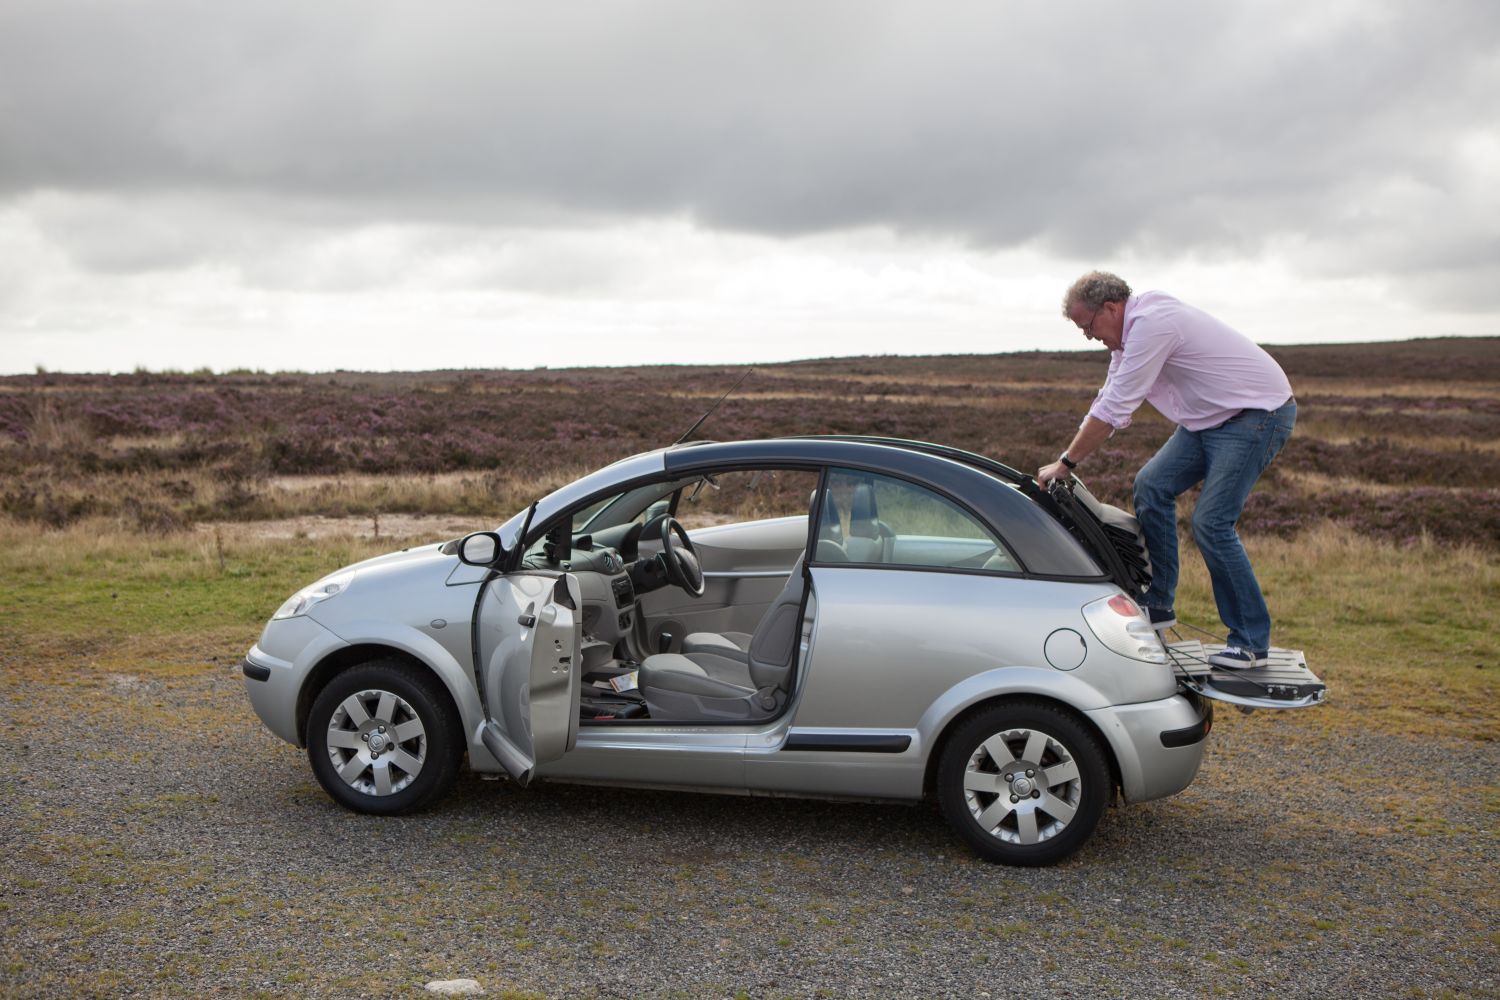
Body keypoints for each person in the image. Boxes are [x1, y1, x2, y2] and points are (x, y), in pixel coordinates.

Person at [1036, 271, 1296, 669]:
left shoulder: (1153, 326)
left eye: (1087, 325)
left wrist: (1066, 463)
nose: (1088, 336)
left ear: (1111, 307)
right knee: (1151, 486)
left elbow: (1116, 408)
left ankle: (1249, 641)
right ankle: (1158, 604)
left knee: (1211, 522)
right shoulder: (1127, 339)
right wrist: (1066, 458)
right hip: (1208, 420)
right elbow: (1107, 397)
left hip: (1257, 415)